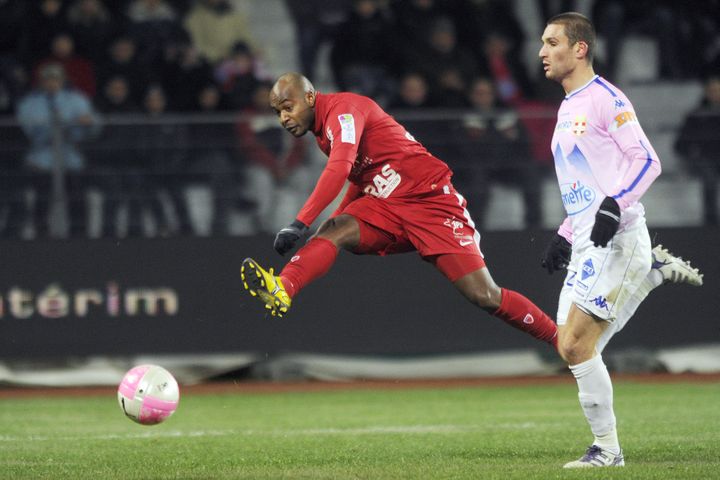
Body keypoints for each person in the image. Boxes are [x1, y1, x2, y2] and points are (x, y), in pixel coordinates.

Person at [240, 72, 559, 354]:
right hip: (387, 205)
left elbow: (339, 169)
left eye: (287, 107)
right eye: (277, 112)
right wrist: (328, 221)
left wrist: (300, 223)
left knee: (484, 294)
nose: (283, 118)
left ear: (310, 97)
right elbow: (358, 179)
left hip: (430, 201)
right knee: (334, 229)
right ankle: (283, 288)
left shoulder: (343, 112)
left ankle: (560, 340)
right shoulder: (324, 129)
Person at [538, 12, 704, 468]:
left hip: (620, 235)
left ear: (580, 48)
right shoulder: (568, 105)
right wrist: (566, 233)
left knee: (576, 346)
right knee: (567, 343)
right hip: (589, 238)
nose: (541, 52)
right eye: (542, 43)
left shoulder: (606, 98)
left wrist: (616, 204)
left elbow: (647, 161)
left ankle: (608, 450)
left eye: (552, 42)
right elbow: (586, 182)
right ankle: (650, 275)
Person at [674, 75, 720, 226]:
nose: (716, 94)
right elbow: (680, 144)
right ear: (706, 92)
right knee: (709, 176)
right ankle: (711, 221)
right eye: (712, 90)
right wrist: (695, 152)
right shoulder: (696, 115)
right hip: (705, 160)